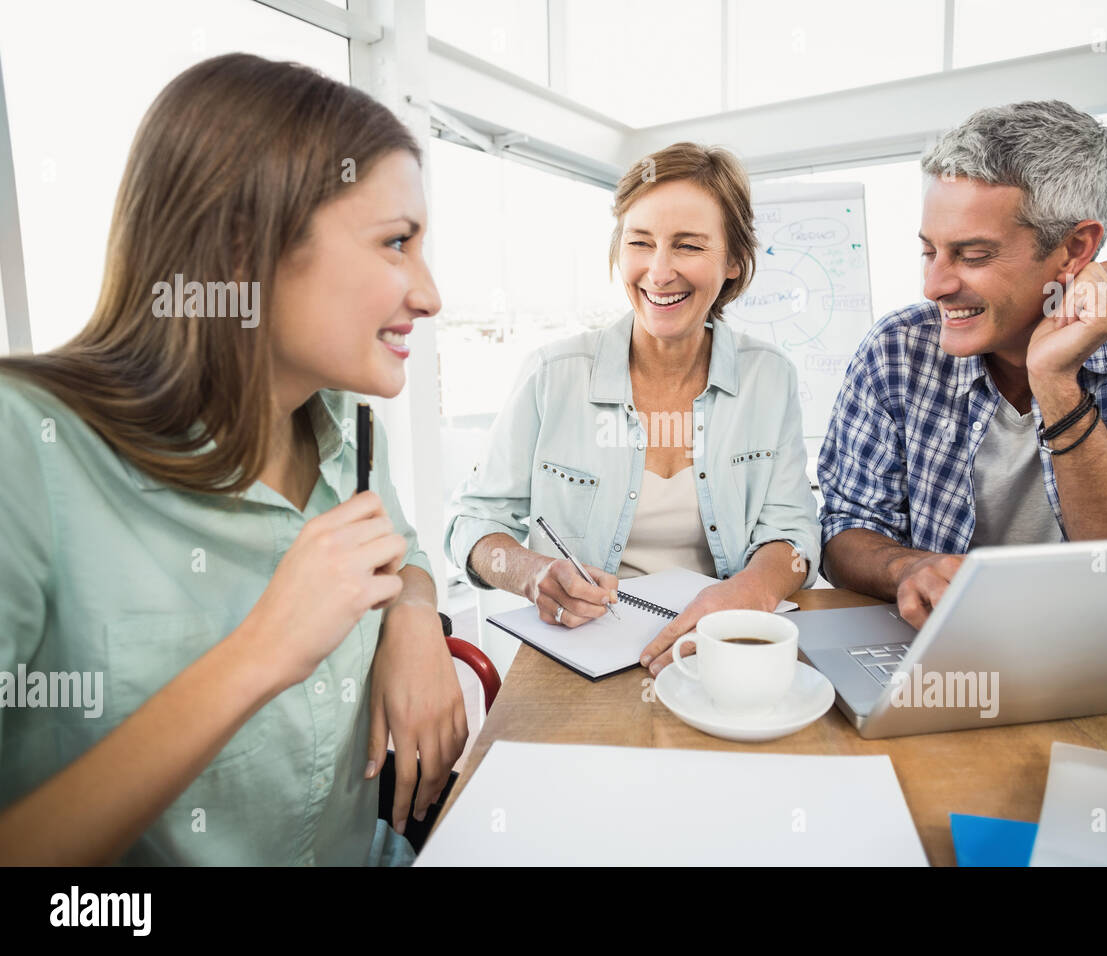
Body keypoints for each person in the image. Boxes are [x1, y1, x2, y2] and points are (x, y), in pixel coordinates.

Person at [0, 54, 466, 864]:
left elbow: (406, 557)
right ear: (247, 241)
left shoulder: (352, 436)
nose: (429, 294)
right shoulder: (25, 450)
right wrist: (260, 653)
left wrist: (415, 614)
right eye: (396, 243)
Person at [819, 100, 1107, 629]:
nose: (934, 286)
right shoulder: (898, 347)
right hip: (942, 648)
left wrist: (1055, 383)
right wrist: (909, 566)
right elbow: (846, 527)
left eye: (973, 255)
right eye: (930, 251)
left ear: (1075, 248)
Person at [444, 142, 820, 676]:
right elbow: (470, 522)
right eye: (640, 242)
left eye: (688, 246)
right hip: (578, 661)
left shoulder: (770, 378)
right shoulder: (553, 375)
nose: (659, 271)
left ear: (734, 261)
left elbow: (794, 534)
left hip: (716, 653)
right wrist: (532, 573)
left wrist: (748, 595)